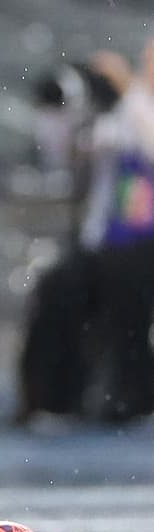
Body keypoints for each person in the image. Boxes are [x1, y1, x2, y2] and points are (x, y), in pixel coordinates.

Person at [17, 40, 154, 425]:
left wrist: (129, 92)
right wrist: (69, 104)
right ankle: (51, 400)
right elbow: (61, 155)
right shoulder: (116, 116)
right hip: (107, 244)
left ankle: (133, 400)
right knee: (56, 292)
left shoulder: (137, 109)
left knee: (127, 293)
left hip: (140, 247)